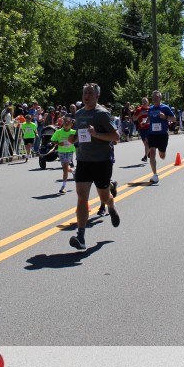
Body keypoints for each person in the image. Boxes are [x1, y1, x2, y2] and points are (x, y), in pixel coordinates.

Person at [68, 83, 120, 251]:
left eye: (90, 93)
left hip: (102, 161)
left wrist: (96, 134)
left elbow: (116, 136)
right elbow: (79, 134)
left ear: (97, 96)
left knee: (104, 197)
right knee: (81, 196)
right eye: (85, 92)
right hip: (83, 160)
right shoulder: (79, 114)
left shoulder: (102, 114)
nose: (87, 95)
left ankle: (111, 205)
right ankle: (81, 236)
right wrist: (73, 139)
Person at [145, 90, 176, 184]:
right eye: (153, 96)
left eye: (156, 96)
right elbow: (149, 119)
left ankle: (161, 151)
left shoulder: (165, 107)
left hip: (162, 135)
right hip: (152, 134)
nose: (154, 98)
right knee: (152, 152)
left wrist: (165, 117)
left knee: (162, 156)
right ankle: (155, 175)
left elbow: (174, 119)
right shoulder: (150, 108)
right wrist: (145, 122)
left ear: (160, 98)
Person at [49, 115, 76, 193]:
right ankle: (73, 171)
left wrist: (74, 142)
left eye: (68, 123)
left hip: (70, 151)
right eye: (65, 122)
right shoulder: (58, 132)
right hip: (61, 151)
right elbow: (52, 140)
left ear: (71, 124)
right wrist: (58, 143)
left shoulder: (74, 132)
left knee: (64, 169)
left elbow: (78, 140)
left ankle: (63, 187)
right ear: (63, 123)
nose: (66, 124)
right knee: (65, 168)